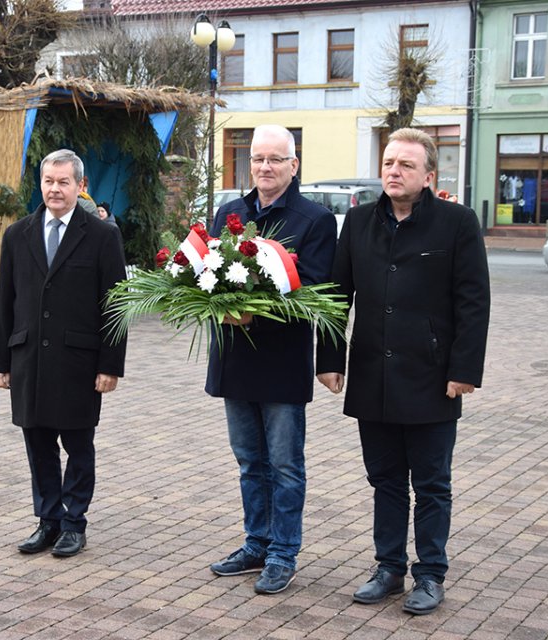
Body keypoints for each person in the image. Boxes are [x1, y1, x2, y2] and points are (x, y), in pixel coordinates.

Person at [316, 127, 490, 614]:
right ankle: (389, 568)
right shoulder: (357, 222)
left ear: (428, 175)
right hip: (373, 374)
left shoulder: (457, 222)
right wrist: (329, 359)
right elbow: (335, 296)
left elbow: (474, 302)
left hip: (433, 378)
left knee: (432, 484)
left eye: (406, 165)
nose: (394, 171)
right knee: (385, 479)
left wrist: (464, 369)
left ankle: (430, 574)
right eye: (389, 163)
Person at [206, 124, 337, 594]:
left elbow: (317, 290)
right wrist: (219, 306)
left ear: (293, 165)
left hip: (282, 363)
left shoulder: (315, 220)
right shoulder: (230, 213)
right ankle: (256, 543)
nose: (264, 166)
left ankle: (283, 553)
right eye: (258, 158)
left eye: (275, 159)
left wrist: (252, 313)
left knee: (284, 465)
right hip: (234, 360)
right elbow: (209, 277)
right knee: (248, 461)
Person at [0, 148, 127, 558]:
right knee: (38, 445)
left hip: (80, 363)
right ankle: (48, 520)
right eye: (49, 181)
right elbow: (5, 300)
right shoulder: (18, 234)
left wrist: (110, 365)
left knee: (78, 447)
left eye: (64, 182)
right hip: (29, 357)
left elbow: (115, 305)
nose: (55, 189)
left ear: (81, 186)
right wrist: (0, 361)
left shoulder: (103, 235)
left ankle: (73, 523)